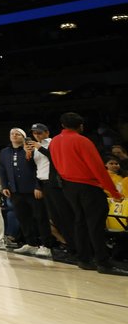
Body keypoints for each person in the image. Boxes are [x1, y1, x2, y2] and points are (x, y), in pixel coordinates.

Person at [49, 112, 127, 275]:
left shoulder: (54, 141)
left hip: (68, 186)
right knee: (96, 224)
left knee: (80, 221)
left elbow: (55, 163)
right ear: (81, 126)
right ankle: (103, 262)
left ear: (62, 125)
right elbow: (97, 167)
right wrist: (113, 192)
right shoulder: (82, 141)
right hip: (88, 186)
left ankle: (84, 259)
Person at [0, 128, 50, 256]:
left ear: (24, 137)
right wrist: (4, 186)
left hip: (33, 190)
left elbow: (40, 168)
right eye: (12, 134)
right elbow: (2, 169)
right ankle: (31, 243)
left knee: (40, 217)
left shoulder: (32, 149)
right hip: (15, 191)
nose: (14, 136)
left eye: (18, 134)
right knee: (23, 218)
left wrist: (38, 186)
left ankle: (47, 245)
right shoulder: (5, 152)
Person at [30, 122, 75, 255]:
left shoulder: (53, 142)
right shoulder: (34, 147)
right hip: (43, 183)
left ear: (47, 133)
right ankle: (68, 244)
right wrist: (29, 154)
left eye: (39, 133)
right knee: (55, 218)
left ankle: (75, 246)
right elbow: (37, 167)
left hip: (55, 184)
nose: (36, 135)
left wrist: (39, 148)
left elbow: (56, 158)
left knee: (64, 215)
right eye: (34, 133)